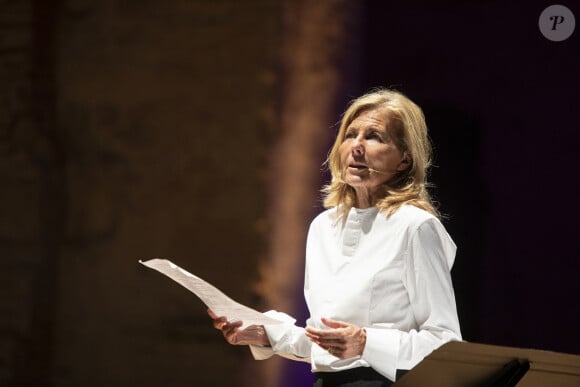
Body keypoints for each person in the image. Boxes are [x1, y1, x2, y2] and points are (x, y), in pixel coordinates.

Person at [208, 88, 462, 386]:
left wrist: (367, 342)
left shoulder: (415, 226)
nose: (357, 146)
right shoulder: (324, 226)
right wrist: (268, 334)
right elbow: (327, 345)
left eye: (375, 137)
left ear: (404, 160)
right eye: (350, 134)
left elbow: (445, 343)